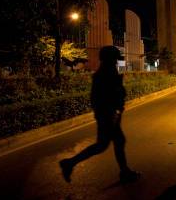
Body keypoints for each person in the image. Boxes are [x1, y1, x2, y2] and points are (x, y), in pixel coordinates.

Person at [59, 46, 139, 183]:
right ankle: (69, 163)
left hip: (110, 114)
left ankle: (124, 171)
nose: (115, 61)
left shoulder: (107, 72)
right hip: (109, 115)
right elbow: (104, 96)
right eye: (114, 58)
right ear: (109, 58)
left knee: (117, 141)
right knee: (102, 145)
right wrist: (111, 113)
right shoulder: (105, 74)